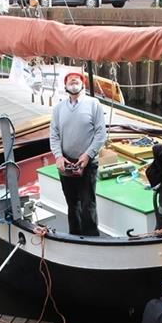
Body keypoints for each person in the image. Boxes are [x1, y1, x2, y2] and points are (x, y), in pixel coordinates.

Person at [48, 72, 106, 236]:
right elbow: (54, 134)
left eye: (77, 79)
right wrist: (59, 156)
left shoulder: (94, 104)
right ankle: (75, 235)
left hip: (87, 162)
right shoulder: (58, 109)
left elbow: (101, 134)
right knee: (72, 203)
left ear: (83, 84)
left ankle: (92, 238)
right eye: (69, 80)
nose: (73, 82)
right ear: (65, 86)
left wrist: (88, 155)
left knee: (88, 203)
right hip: (66, 162)